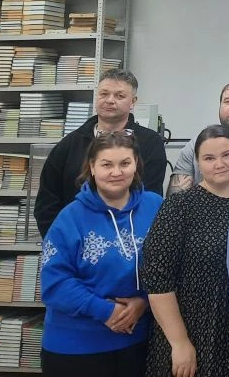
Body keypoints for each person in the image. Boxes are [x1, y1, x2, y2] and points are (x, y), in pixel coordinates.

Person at [39, 131, 163, 377]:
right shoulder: (70, 218)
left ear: (136, 165)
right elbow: (54, 283)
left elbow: (169, 267)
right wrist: (105, 311)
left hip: (137, 341)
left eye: (125, 163)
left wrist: (145, 302)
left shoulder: (156, 206)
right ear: (92, 167)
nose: (116, 172)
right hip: (76, 347)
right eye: (107, 165)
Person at [142, 125, 229, 377]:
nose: (219, 164)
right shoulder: (179, 206)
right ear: (197, 162)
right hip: (189, 328)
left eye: (226, 155)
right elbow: (158, 280)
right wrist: (179, 342)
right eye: (209, 158)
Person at [35, 69, 166, 236]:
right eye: (104, 94)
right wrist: (62, 240)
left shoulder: (150, 143)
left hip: (133, 241)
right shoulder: (69, 144)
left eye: (119, 96)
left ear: (133, 101)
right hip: (76, 240)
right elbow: (47, 202)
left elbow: (150, 201)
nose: (110, 100)